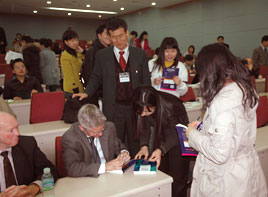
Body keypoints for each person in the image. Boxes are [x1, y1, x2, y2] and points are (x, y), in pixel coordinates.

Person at [186, 44, 267, 197]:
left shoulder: (223, 102)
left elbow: (219, 153)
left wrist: (193, 135)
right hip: (243, 169)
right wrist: (205, 127)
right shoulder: (244, 89)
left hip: (225, 179)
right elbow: (235, 129)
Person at [73, 18, 151, 157]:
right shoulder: (102, 55)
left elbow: (146, 82)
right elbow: (95, 77)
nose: (118, 41)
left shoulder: (140, 54)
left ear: (127, 33)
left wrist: (147, 103)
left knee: (135, 143)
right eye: (113, 37)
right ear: (109, 36)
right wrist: (86, 92)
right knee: (114, 143)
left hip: (135, 108)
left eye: (121, 36)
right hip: (114, 107)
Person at [133, 86, 190, 197]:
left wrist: (161, 149)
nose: (143, 114)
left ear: (155, 104)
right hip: (161, 136)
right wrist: (144, 146)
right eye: (141, 112)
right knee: (163, 174)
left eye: (146, 111)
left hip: (178, 139)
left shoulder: (171, 105)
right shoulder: (143, 106)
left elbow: (176, 132)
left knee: (177, 178)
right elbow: (144, 127)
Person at [61, 104, 130, 177]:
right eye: (95, 132)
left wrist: (124, 153)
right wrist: (105, 167)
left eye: (102, 130)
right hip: (87, 180)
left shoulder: (109, 127)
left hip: (111, 176)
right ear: (82, 128)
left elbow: (119, 147)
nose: (100, 134)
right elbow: (72, 168)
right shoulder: (70, 138)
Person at [0, 112, 58, 196]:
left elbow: (50, 170)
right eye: (11, 130)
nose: (17, 133)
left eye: (17, 127)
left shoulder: (27, 144)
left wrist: (33, 188)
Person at [81, 23, 111, 106]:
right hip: (97, 93)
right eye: (106, 34)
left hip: (107, 92)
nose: (109, 36)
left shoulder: (109, 50)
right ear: (99, 35)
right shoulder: (93, 50)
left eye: (110, 34)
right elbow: (88, 73)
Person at [61, 29, 85, 97]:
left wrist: (83, 52)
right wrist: (75, 90)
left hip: (80, 86)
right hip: (72, 90)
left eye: (76, 40)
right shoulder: (65, 56)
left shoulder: (77, 53)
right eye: (72, 41)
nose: (75, 43)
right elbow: (69, 75)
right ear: (66, 42)